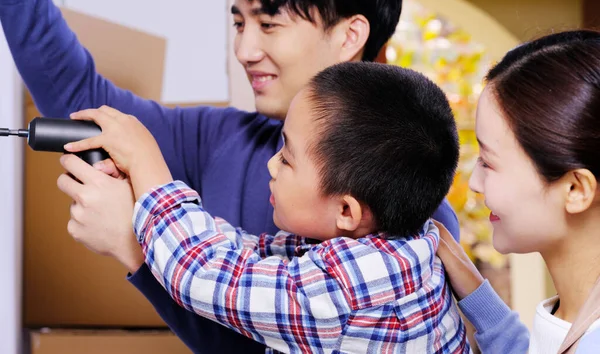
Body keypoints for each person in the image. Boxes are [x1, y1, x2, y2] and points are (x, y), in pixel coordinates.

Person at [0, 0, 460, 352]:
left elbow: (262, 332)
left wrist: (132, 243)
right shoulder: (225, 136)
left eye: (268, 24)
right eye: (239, 23)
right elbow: (80, 97)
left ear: (349, 36)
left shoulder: (413, 216)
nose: (244, 49)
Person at [59, 62, 470, 353]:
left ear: (347, 211)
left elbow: (200, 273)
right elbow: (251, 256)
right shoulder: (402, 242)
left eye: (287, 158)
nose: (271, 165)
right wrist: (141, 205)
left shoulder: (348, 290)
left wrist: (150, 167)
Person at [432, 30, 600, 353]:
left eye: (489, 163)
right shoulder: (574, 317)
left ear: (576, 189)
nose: (474, 183)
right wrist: (474, 290)